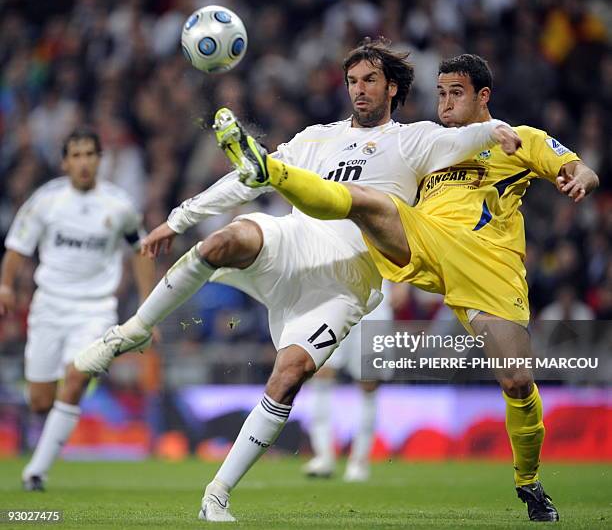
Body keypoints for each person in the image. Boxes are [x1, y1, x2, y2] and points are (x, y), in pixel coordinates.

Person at [75, 39, 520, 522]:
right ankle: (134, 329)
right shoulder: (315, 138)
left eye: (370, 80)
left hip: (347, 282)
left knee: (289, 376)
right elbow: (249, 179)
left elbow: (466, 137)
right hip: (294, 242)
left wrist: (499, 130)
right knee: (225, 240)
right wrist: (178, 220)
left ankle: (217, 494)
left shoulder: (413, 140)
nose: (359, 90)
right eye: (352, 81)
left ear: (392, 87)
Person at [219, 52, 599, 522]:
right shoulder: (428, 142)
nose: (444, 103)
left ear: (483, 97)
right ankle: (272, 175)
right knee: (368, 201)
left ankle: (529, 481)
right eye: (439, 93)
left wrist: (578, 177)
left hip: (487, 270)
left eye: (455, 93)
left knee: (518, 382)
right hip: (421, 242)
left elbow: (578, 166)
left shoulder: (517, 140)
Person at [0, 127, 156, 491]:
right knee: (39, 400)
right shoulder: (45, 201)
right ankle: (48, 432)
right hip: (49, 307)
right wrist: (6, 285)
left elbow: (141, 249)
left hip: (96, 310)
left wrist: (148, 309)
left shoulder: (119, 205)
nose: (84, 162)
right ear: (65, 162)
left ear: (100, 160)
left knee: (75, 376)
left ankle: (36, 471)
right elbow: (18, 247)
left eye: (91, 154)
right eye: (77, 155)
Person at [303, 280, 395, 482]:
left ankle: (360, 461)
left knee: (368, 383)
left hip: (374, 306)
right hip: (334, 300)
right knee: (321, 372)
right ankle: (323, 456)